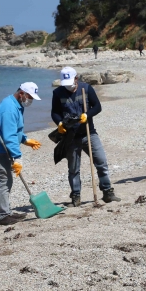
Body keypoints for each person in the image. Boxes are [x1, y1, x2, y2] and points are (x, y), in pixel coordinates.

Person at [51, 67, 120, 207]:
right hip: (70, 136)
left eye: (71, 82)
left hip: (89, 133)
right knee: (74, 169)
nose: (68, 86)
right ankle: (76, 196)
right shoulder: (57, 93)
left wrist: (87, 115)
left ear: (76, 78)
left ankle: (107, 192)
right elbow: (55, 112)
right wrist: (59, 123)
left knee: (101, 162)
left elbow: (97, 106)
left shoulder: (86, 89)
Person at [0, 82, 42, 225]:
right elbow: (8, 136)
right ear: (21, 93)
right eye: (30, 97)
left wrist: (24, 139)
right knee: (4, 180)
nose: (31, 100)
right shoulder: (9, 108)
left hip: (3, 149)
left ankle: (7, 211)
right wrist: (17, 157)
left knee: (7, 179)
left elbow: (15, 130)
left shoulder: (16, 105)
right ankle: (4, 215)